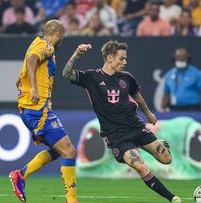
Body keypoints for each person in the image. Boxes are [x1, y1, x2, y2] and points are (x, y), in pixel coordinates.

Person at [62, 40, 183, 203]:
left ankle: (140, 144)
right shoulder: (91, 77)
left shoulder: (127, 78)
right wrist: (76, 54)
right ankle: (173, 198)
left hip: (136, 127)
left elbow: (136, 95)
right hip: (116, 135)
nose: (125, 62)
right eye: (122, 58)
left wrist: (148, 114)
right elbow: (66, 73)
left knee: (166, 159)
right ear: (109, 58)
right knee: (140, 166)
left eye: (125, 58)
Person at [9, 20, 78, 203]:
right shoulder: (47, 45)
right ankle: (71, 200)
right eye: (61, 36)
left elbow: (30, 61)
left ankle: (20, 175)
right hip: (37, 108)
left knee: (59, 151)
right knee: (69, 151)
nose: (61, 40)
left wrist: (21, 77)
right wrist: (33, 87)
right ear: (57, 34)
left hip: (37, 109)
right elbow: (32, 59)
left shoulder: (36, 43)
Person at [161, 48, 201, 112]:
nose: (180, 60)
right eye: (178, 58)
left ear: (187, 59)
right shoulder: (170, 74)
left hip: (192, 109)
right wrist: (162, 109)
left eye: (183, 58)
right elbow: (166, 93)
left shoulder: (196, 73)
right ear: (174, 59)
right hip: (174, 109)